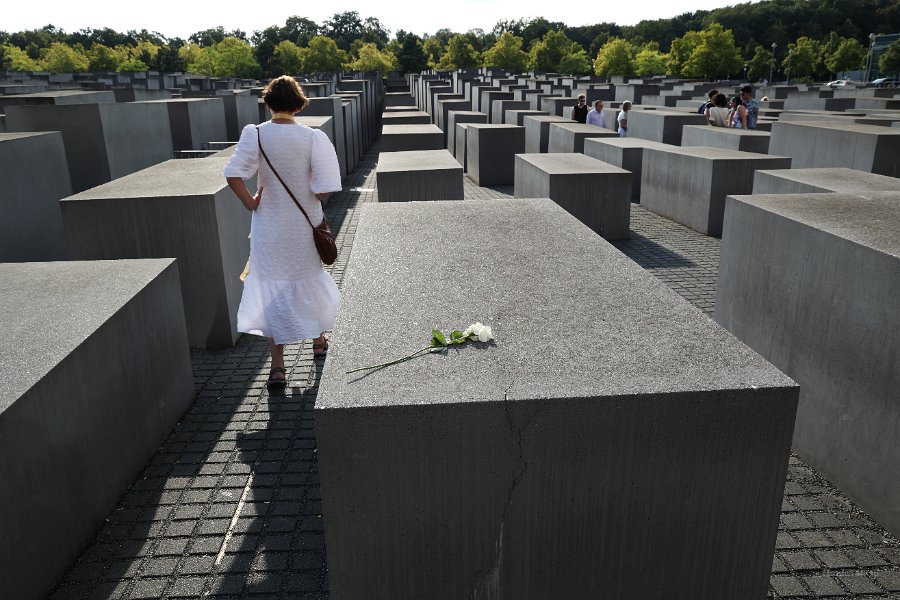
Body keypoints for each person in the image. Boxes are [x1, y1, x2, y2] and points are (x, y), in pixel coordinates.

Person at [224, 75, 342, 388]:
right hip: (305, 227)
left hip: (269, 227)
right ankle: (318, 340)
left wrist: (252, 202)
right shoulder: (313, 137)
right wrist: (311, 195)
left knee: (271, 290)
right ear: (298, 104)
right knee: (310, 280)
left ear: (269, 104)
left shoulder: (256, 134)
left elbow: (233, 174)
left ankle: (278, 366)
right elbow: (327, 186)